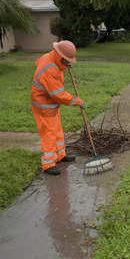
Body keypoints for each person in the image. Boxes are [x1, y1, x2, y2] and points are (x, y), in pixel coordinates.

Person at [31, 40, 83, 175]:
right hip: (43, 105)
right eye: (66, 60)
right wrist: (76, 101)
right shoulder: (49, 69)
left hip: (51, 104)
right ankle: (48, 164)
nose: (67, 62)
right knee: (49, 133)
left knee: (57, 129)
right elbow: (58, 95)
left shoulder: (51, 57)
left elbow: (57, 66)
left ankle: (60, 155)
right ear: (60, 56)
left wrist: (65, 65)